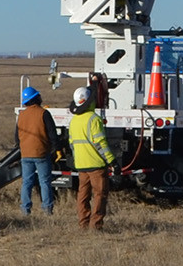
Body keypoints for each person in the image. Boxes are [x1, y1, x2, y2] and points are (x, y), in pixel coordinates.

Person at [67, 84, 115, 230]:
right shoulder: (94, 119)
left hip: (81, 165)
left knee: (83, 195)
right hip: (96, 165)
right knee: (100, 195)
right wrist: (111, 160)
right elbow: (101, 143)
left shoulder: (73, 121)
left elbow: (72, 144)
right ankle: (96, 225)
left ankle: (83, 224)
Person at [16, 86, 56, 216]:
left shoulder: (21, 115)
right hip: (41, 153)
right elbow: (52, 135)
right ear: (36, 98)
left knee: (26, 182)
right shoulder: (43, 113)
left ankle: (25, 209)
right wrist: (55, 149)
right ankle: (47, 209)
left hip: (25, 154)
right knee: (44, 182)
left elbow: (16, 137)